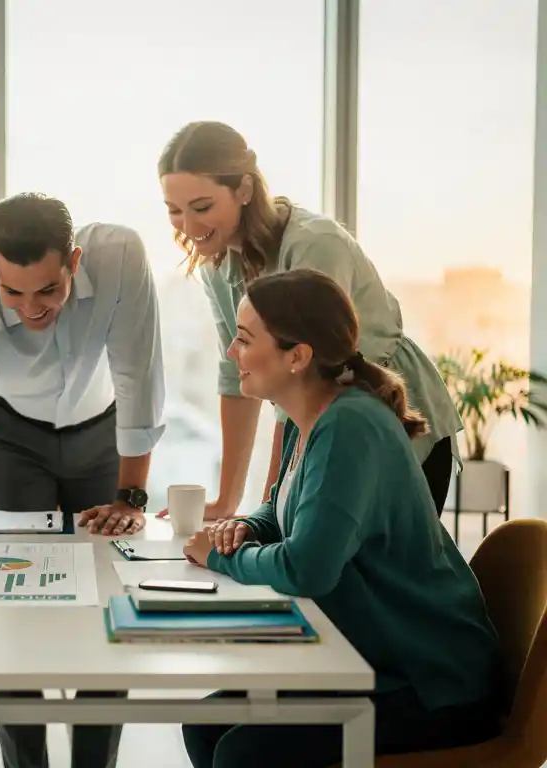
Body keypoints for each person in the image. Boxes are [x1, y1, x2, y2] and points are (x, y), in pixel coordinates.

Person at [180, 269, 503, 767]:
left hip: (430, 682)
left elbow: (306, 568)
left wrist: (224, 558)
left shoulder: (349, 426)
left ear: (298, 356)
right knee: (206, 726)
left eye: (244, 339)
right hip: (373, 660)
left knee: (242, 752)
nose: (230, 352)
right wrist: (252, 527)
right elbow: (283, 503)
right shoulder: (306, 416)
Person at [0, 192, 167, 768]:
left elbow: (138, 375)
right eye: (13, 292)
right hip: (11, 434)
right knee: (13, 607)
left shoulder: (120, 254)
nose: (31, 308)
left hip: (103, 431)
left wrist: (131, 495)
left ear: (73, 260)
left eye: (48, 290)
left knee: (109, 599)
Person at [158, 121, 462, 519]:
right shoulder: (217, 265)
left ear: (245, 190)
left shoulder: (315, 245)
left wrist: (267, 512)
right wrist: (227, 503)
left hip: (395, 421)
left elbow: (305, 377)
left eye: (202, 207)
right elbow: (235, 373)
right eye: (174, 211)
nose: (189, 226)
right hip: (329, 427)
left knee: (367, 571)